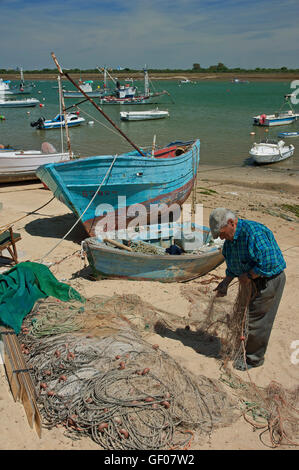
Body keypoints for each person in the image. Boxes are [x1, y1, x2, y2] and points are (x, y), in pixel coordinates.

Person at [209, 208, 286, 371]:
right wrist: (226, 282)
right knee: (244, 316)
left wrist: (249, 276)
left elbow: (269, 263)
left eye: (221, 233)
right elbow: (232, 264)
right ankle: (245, 350)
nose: (221, 237)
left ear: (231, 223)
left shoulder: (254, 233)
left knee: (257, 320)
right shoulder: (230, 241)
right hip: (249, 281)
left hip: (268, 280)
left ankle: (253, 359)